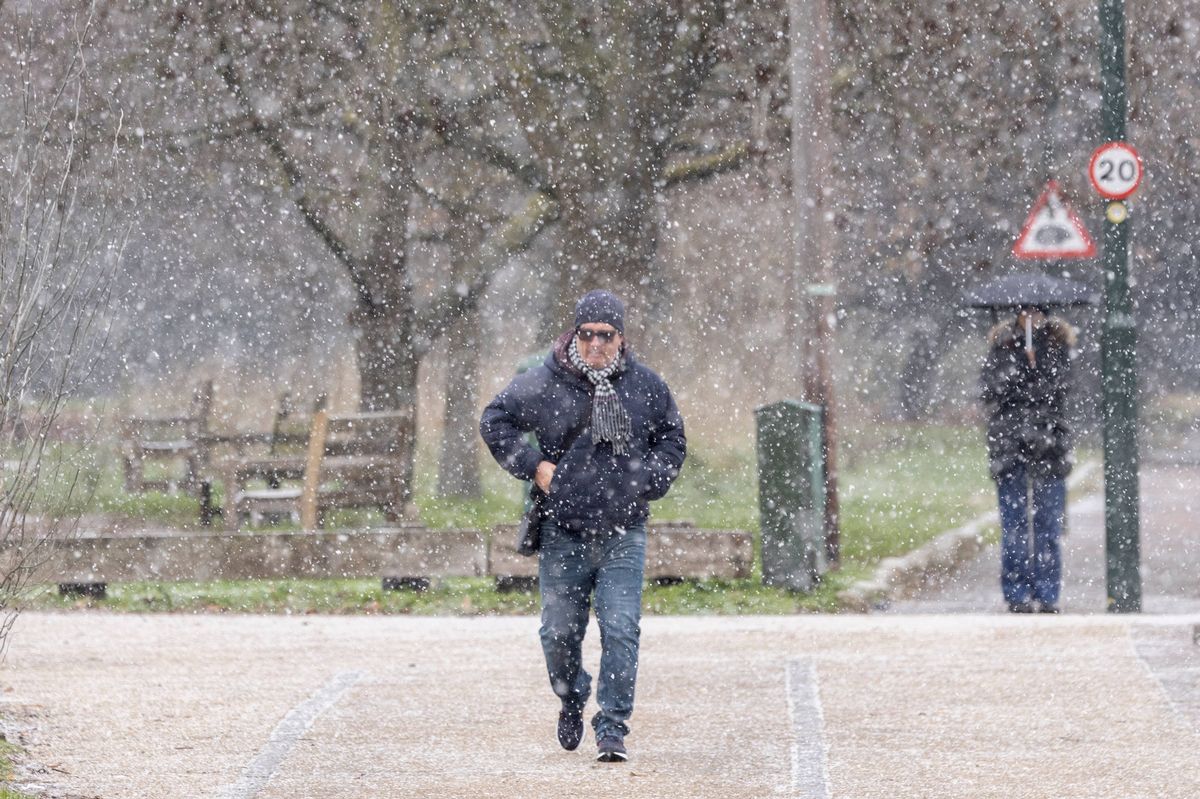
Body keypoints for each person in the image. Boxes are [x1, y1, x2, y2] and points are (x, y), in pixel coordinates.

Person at [480, 289, 686, 763]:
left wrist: (649, 479)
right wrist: (535, 465)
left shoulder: (646, 387)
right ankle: (572, 695)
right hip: (564, 531)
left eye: (606, 335)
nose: (596, 344)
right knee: (557, 633)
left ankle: (612, 727)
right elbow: (495, 420)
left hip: (623, 531)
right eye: (588, 334)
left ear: (621, 338)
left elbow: (673, 438)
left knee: (620, 629)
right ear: (576, 333)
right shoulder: (545, 383)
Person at [980, 305, 1076, 614]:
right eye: (1026, 313)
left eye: (1038, 313)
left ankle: (1048, 594)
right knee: (1015, 523)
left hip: (1049, 445)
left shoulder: (1059, 347)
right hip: (1010, 445)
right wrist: (1020, 367)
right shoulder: (1002, 347)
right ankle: (1017, 593)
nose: (1032, 318)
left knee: (1048, 523)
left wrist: (1039, 367)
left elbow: (1063, 388)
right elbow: (991, 390)